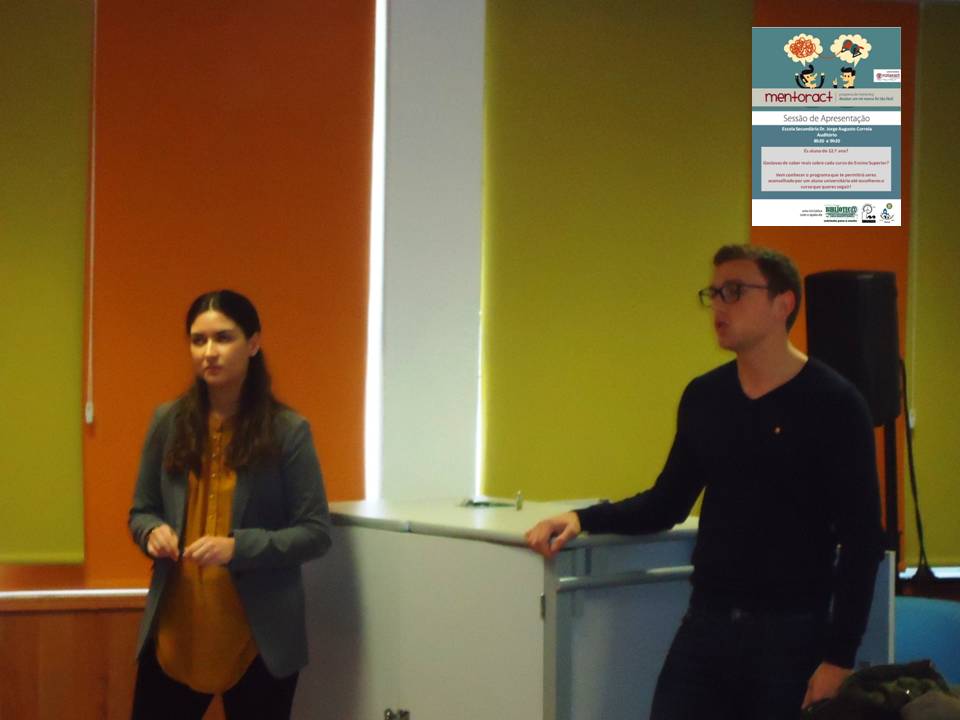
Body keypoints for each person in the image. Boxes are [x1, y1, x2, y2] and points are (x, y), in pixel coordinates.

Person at [525, 245, 885, 720]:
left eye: (734, 291)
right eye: (713, 293)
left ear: (783, 304)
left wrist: (839, 658)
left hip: (792, 634)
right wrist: (581, 517)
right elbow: (666, 503)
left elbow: (862, 540)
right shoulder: (706, 396)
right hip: (707, 624)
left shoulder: (835, 403)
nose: (718, 305)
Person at [128, 289, 331, 719]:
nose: (209, 352)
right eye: (198, 340)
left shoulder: (287, 430)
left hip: (259, 640)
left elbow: (315, 533)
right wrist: (151, 532)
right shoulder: (167, 422)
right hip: (176, 632)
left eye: (223, 338)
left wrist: (238, 546)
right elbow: (141, 511)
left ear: (253, 344)